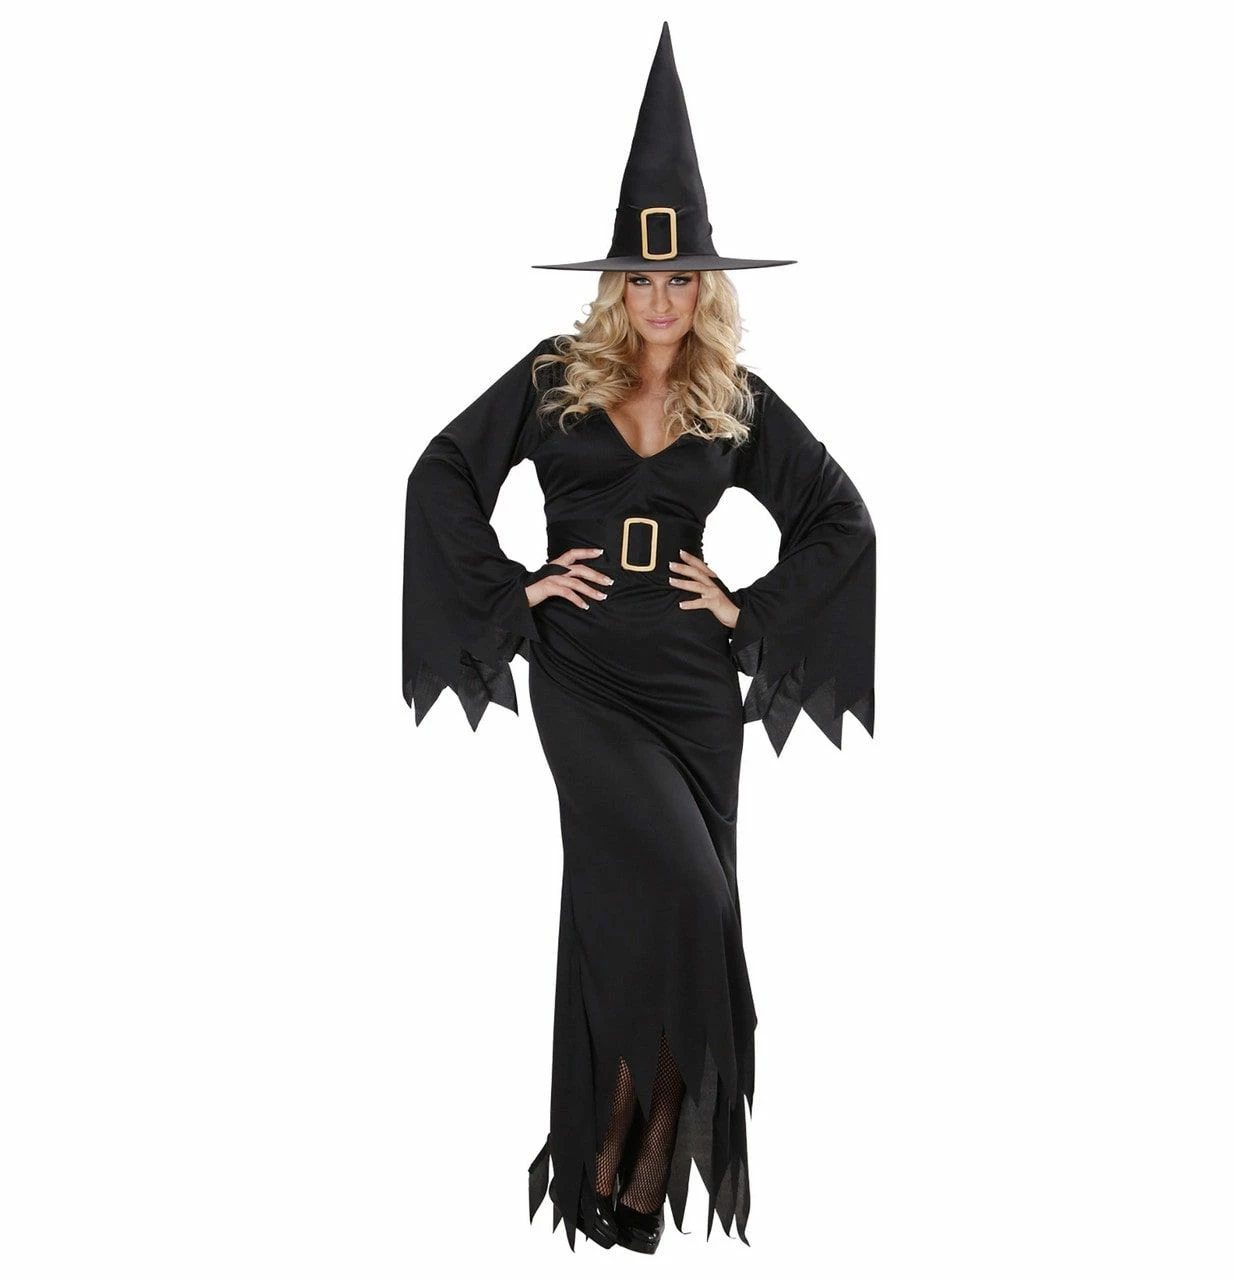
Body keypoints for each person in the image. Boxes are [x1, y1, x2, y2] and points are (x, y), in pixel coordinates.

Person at [401, 24, 875, 1254]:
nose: (661, 299)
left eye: (681, 279)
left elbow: (839, 519)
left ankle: (630, 1175)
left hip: (695, 699)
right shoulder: (554, 377)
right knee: (679, 895)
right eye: (642, 278)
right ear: (617, 283)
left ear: (703, 286)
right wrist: (515, 592)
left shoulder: (730, 398)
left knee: (668, 916)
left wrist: (748, 611)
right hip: (584, 681)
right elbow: (440, 474)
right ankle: (615, 1148)